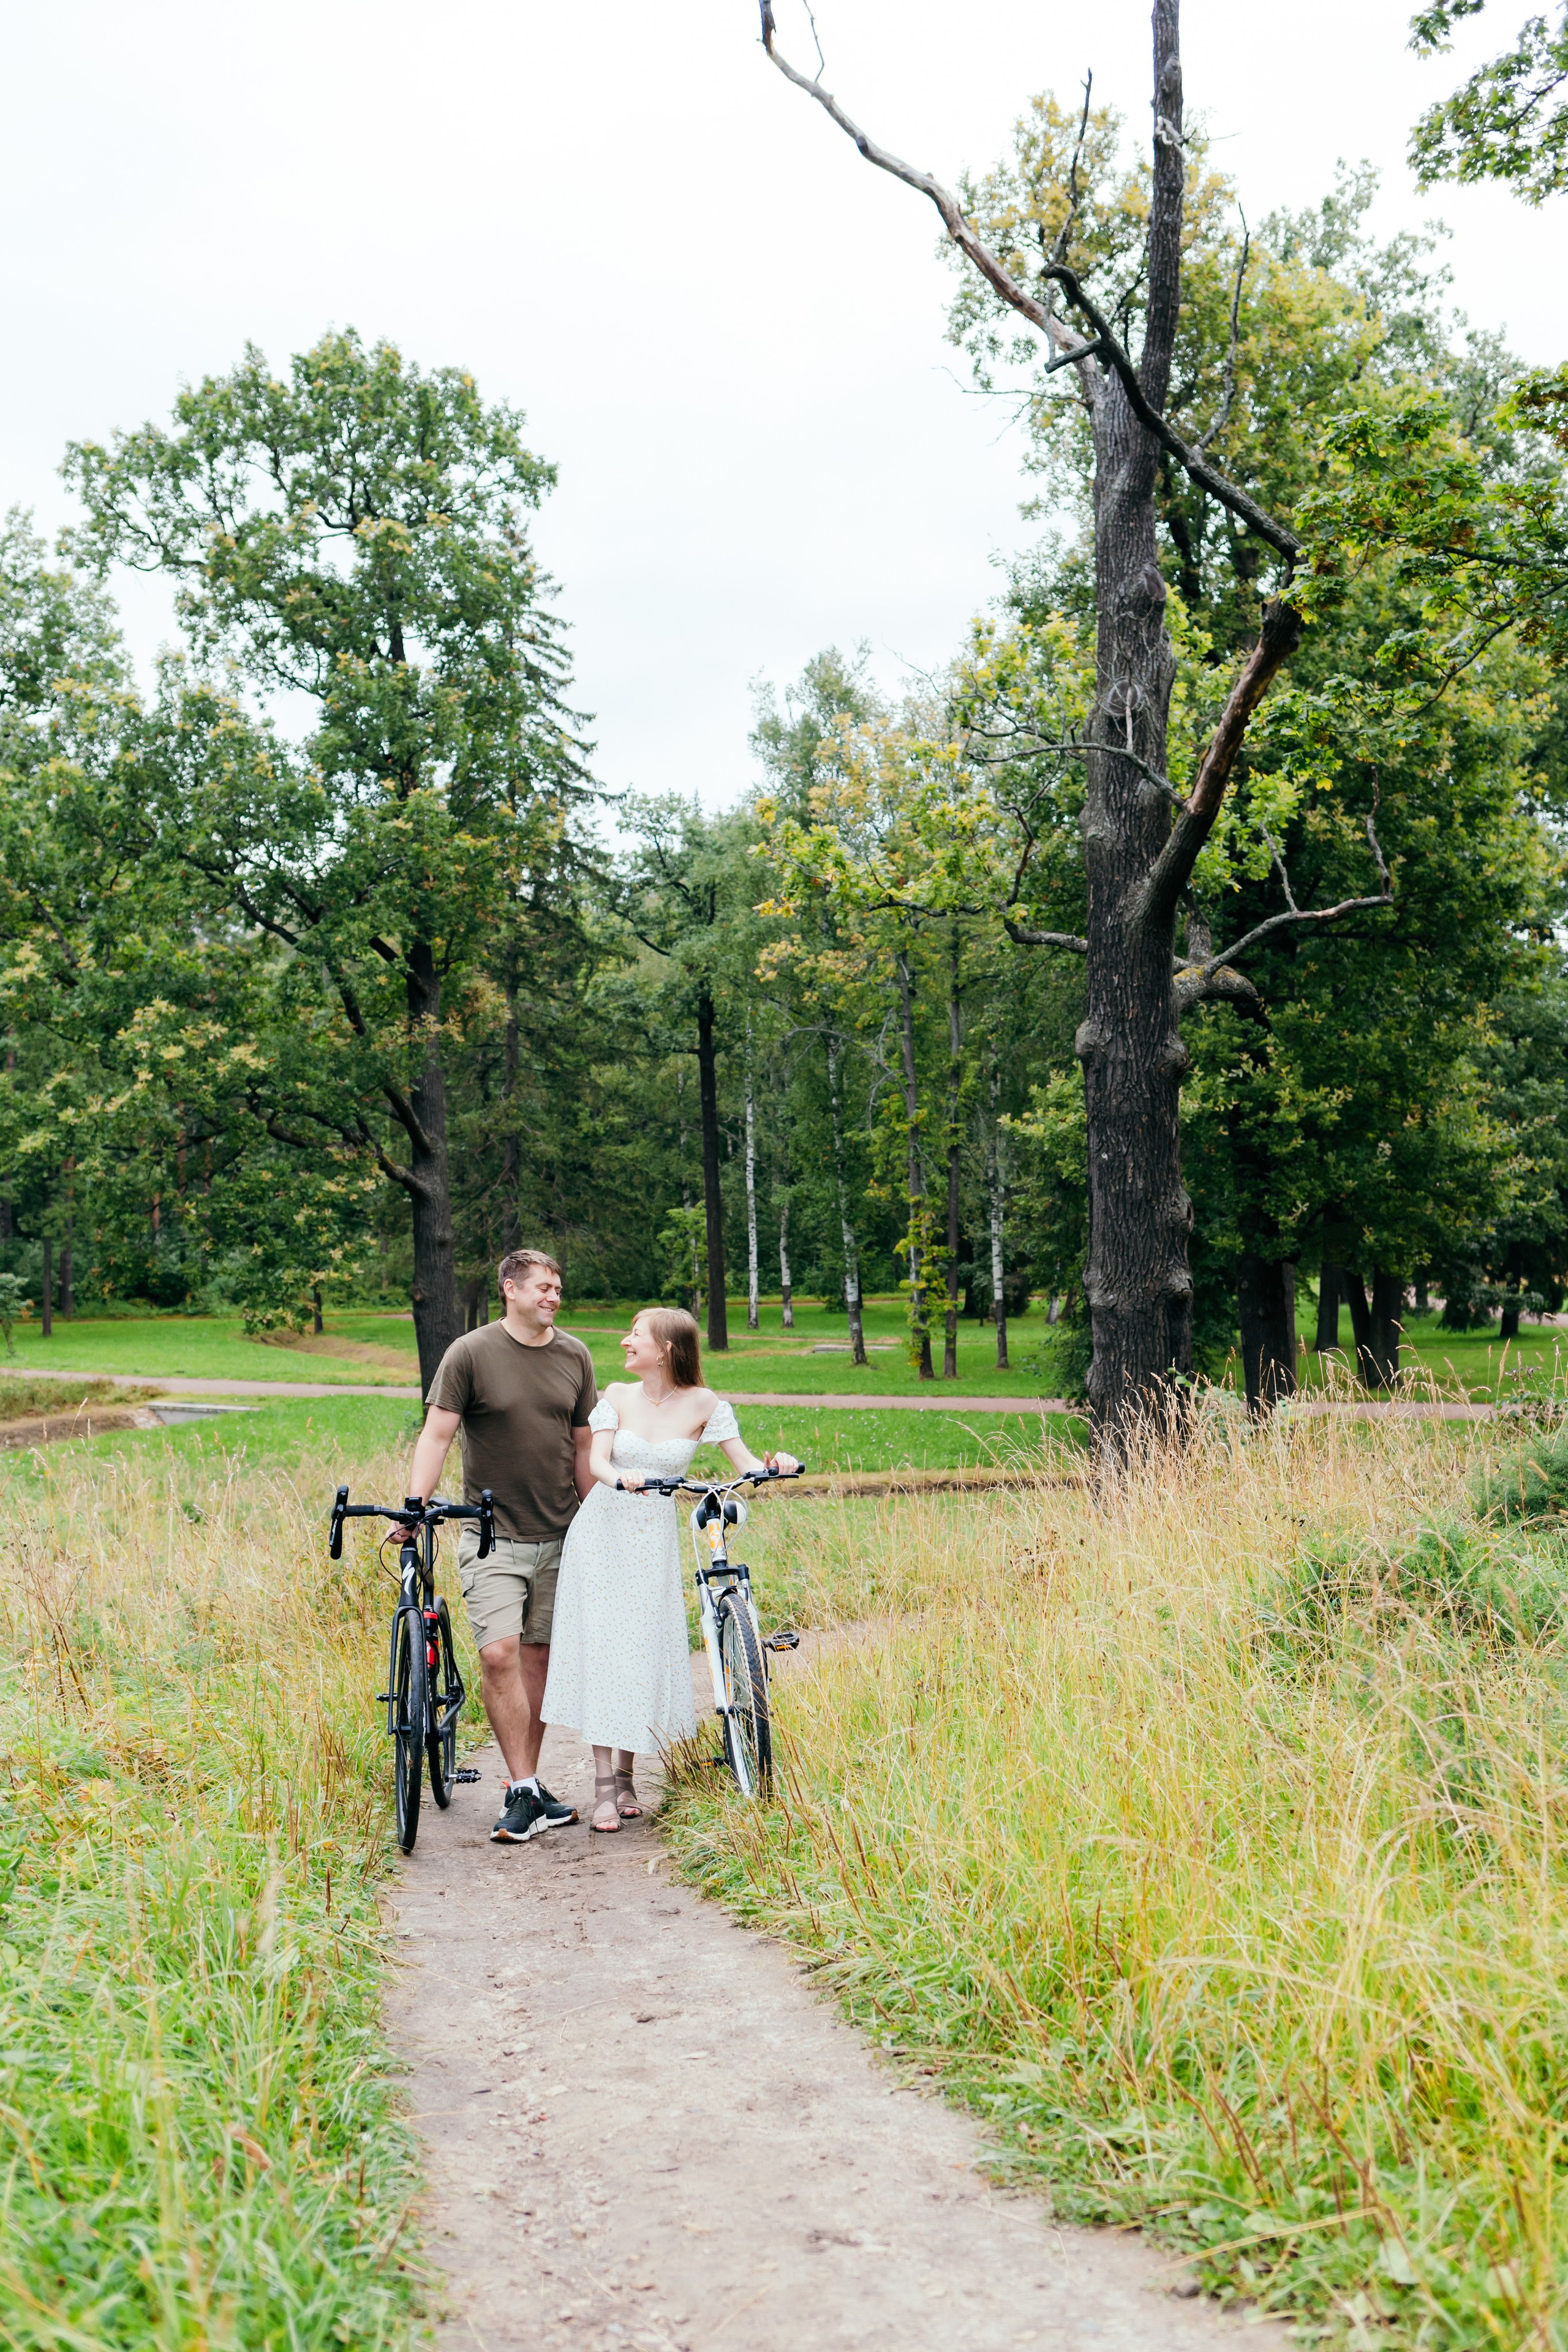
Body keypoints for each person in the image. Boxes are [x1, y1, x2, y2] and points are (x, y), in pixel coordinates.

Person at [541, 1306, 799, 1833]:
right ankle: (603, 1786)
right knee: (606, 1650)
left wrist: (777, 1467)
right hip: (604, 1532)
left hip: (652, 1541)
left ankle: (629, 1774)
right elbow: (597, 1463)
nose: (625, 1342)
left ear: (666, 1348)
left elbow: (745, 1464)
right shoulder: (615, 1396)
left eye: (636, 1335)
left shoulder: (706, 1403)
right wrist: (622, 1478)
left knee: (641, 1648)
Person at [401, 1248, 596, 1845]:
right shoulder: (471, 1353)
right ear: (510, 1289)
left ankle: (529, 1784)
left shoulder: (574, 1356)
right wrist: (414, 1506)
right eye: (542, 1286)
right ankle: (519, 1789)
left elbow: (585, 1447)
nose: (553, 1296)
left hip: (561, 1535)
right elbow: (437, 1435)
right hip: (491, 1536)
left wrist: (598, 1519)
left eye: (558, 1286)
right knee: (499, 1654)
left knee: (539, 1660)